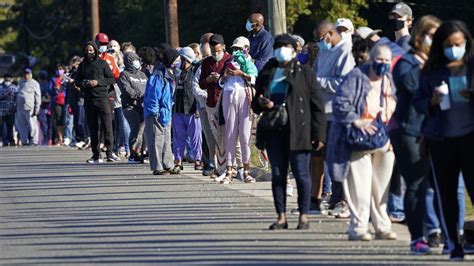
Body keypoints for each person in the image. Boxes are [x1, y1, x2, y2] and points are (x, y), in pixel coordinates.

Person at [413, 20, 474, 261]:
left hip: (470, 138)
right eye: (449, 45)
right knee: (446, 194)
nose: (454, 49)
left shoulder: (471, 66)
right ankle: (454, 244)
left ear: (466, 42)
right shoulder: (432, 70)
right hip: (441, 139)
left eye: (458, 44)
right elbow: (417, 101)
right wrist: (431, 102)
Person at [252, 34, 326, 230]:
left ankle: (304, 215)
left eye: (286, 46)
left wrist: (319, 134)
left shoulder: (305, 73)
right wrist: (262, 103)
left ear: (295, 50)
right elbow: (255, 104)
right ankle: (281, 217)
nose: (282, 50)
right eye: (278, 46)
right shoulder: (268, 71)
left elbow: (317, 105)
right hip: (275, 129)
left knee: (302, 174)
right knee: (278, 174)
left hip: (299, 130)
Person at [327, 45, 397, 241]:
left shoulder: (389, 79)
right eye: (380, 59)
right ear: (371, 58)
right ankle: (358, 227)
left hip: (385, 138)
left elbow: (396, 105)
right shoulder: (357, 76)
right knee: (360, 186)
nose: (383, 64)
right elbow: (340, 102)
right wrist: (356, 120)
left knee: (381, 188)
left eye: (387, 60)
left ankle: (382, 226)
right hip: (357, 139)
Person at [391, 15, 442, 255]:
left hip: (435, 130)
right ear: (421, 36)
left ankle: (436, 232)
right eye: (433, 35)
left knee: (436, 185)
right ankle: (417, 237)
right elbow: (415, 90)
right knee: (416, 185)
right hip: (408, 130)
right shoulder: (406, 63)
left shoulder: (439, 63)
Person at [313, 21, 355, 214]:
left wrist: (319, 82)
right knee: (326, 157)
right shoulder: (324, 51)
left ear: (330, 34)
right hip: (322, 111)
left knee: (339, 158)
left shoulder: (345, 51)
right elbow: (315, 72)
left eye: (321, 39)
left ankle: (344, 199)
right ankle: (332, 197)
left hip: (337, 112)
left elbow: (342, 83)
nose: (320, 44)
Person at [219, 36, 258, 184]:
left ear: (246, 48)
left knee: (245, 135)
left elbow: (254, 79)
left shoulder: (251, 62)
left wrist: (241, 74)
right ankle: (230, 170)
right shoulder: (228, 63)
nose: (236, 51)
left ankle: (246, 170)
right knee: (229, 133)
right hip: (229, 96)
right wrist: (225, 75)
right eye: (234, 49)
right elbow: (220, 83)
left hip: (245, 97)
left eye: (239, 48)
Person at [75, 41, 118, 163]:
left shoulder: (102, 63)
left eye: (91, 50)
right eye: (87, 50)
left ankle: (109, 153)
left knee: (107, 126)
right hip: (89, 99)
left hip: (102, 98)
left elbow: (111, 79)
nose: (89, 52)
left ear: (95, 50)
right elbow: (77, 80)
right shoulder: (82, 65)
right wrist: (83, 84)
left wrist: (97, 82)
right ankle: (96, 154)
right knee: (93, 128)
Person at [198, 34, 233, 178]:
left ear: (223, 47)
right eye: (213, 52)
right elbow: (201, 83)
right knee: (211, 136)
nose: (216, 54)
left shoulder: (230, 60)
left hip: (226, 102)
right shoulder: (206, 62)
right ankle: (213, 164)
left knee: (225, 136)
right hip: (211, 102)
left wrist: (221, 78)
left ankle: (228, 165)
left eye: (218, 51)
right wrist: (209, 79)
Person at [143, 47, 177, 175]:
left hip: (166, 113)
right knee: (156, 140)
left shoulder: (168, 73)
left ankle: (168, 164)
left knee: (166, 139)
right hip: (156, 113)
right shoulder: (158, 74)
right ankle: (158, 166)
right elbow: (153, 96)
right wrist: (155, 112)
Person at [169, 47, 203, 174]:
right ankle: (178, 161)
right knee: (178, 138)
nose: (179, 61)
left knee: (196, 137)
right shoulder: (178, 72)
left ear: (187, 59)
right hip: (178, 109)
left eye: (181, 59)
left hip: (192, 109)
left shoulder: (195, 71)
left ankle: (198, 160)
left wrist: (198, 107)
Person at [119, 52, 147, 162]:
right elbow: (127, 91)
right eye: (135, 60)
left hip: (143, 106)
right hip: (130, 107)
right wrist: (140, 95)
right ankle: (133, 153)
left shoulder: (142, 74)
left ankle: (140, 151)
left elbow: (148, 87)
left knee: (142, 130)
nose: (137, 62)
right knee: (136, 128)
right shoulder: (124, 75)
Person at [16, 68, 41, 146]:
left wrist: (37, 109)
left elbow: (38, 97)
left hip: (30, 108)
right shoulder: (20, 82)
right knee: (22, 126)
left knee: (32, 126)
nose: (26, 75)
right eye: (25, 74)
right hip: (20, 107)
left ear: (31, 74)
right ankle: (24, 141)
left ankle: (34, 141)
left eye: (28, 74)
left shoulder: (35, 83)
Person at [0, 73, 18, 146]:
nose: (7, 79)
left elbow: (17, 99)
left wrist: (15, 107)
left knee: (10, 127)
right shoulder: (0, 87)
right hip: (1, 111)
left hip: (11, 111)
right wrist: (4, 96)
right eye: (6, 78)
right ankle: (5, 141)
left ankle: (11, 141)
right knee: (2, 127)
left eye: (9, 78)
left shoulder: (14, 87)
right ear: (4, 79)